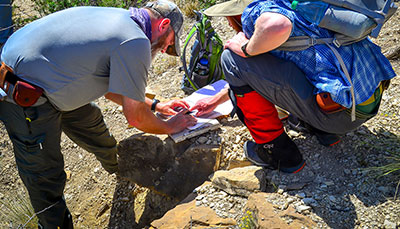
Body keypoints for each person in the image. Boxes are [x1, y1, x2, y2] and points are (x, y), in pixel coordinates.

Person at [0, 0, 196, 227]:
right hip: (26, 93)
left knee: (91, 121)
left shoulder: (120, 20)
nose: (164, 50)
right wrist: (171, 126)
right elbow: (135, 118)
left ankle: (120, 168)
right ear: (163, 25)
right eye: (169, 43)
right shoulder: (135, 40)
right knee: (45, 176)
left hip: (49, 79)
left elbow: (114, 88)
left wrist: (156, 106)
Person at [192, 0, 396, 174]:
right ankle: (320, 130)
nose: (228, 23)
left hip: (340, 116)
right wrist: (216, 99)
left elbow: (276, 25)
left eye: (229, 15)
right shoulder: (301, 5)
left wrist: (245, 49)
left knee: (230, 58)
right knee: (300, 56)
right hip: (365, 99)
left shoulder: (261, 11)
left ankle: (277, 152)